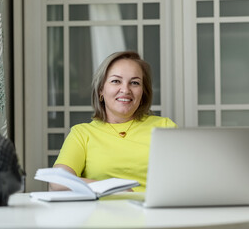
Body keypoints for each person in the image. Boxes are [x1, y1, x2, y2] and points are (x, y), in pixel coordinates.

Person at [51, 51, 177, 192]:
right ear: (101, 91)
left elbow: (190, 176)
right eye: (116, 81)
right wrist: (115, 188)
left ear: (143, 93)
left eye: (134, 83)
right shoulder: (81, 133)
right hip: (102, 212)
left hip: (154, 212)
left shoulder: (165, 127)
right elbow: (58, 182)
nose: (125, 90)